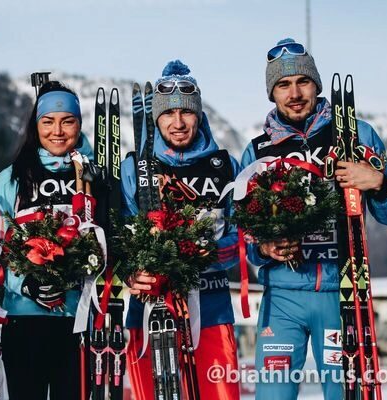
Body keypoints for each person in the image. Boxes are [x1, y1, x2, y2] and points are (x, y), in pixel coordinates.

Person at [241, 38, 387, 400]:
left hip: (342, 292)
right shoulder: (257, 152)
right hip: (282, 299)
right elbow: (243, 235)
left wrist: (378, 184)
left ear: (316, 84)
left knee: (346, 395)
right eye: (283, 84)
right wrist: (264, 247)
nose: (295, 92)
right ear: (272, 92)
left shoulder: (356, 135)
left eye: (303, 81)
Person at [123, 60, 241, 400]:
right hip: (148, 311)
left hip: (212, 308)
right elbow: (118, 237)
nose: (177, 123)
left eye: (186, 113)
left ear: (199, 115)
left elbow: (241, 237)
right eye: (167, 114)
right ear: (155, 118)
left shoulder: (223, 166)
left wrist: (211, 252)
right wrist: (133, 273)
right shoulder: (134, 168)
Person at [0, 81, 93, 399]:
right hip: (24, 319)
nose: (57, 130)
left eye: (67, 121)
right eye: (48, 121)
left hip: (78, 320)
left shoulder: (91, 176)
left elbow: (106, 242)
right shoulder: (11, 179)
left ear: (79, 124)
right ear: (36, 125)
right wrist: (25, 284)